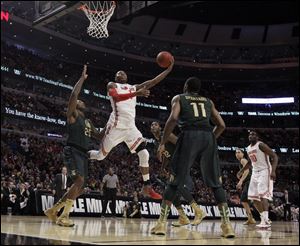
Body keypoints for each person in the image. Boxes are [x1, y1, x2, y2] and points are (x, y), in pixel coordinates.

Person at [151, 77, 235, 238]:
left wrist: (162, 142)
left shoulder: (179, 98)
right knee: (216, 184)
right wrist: (210, 140)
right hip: (208, 136)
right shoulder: (208, 101)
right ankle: (227, 226)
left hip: (189, 135)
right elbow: (222, 125)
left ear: (186, 87)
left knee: (174, 182)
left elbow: (173, 118)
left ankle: (161, 224)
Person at [88, 59, 175, 200]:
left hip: (130, 128)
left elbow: (152, 82)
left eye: (122, 72)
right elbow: (116, 97)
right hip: (116, 126)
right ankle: (85, 155)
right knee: (100, 156)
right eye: (118, 73)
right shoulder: (112, 84)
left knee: (145, 154)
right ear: (116, 78)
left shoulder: (133, 87)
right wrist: (137, 94)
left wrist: (168, 70)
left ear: (127, 78)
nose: (120, 73)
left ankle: (147, 186)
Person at [44, 65, 104, 227]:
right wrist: (81, 79)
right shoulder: (73, 115)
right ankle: (64, 216)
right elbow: (73, 94)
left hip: (83, 154)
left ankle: (53, 210)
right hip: (73, 150)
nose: (80, 101)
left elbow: (99, 135)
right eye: (78, 101)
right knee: (78, 182)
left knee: (81, 188)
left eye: (81, 101)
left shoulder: (88, 122)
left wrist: (114, 122)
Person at [151, 121, 206, 227]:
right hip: (173, 164)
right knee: (171, 190)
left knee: (177, 185)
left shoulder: (165, 135)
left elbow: (180, 144)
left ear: (160, 127)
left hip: (181, 161)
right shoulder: (155, 142)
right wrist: (163, 168)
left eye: (155, 124)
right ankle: (183, 217)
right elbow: (166, 156)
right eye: (152, 125)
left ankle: (199, 211)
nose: (153, 126)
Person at [238, 131, 278, 228]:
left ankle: (265, 220)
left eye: (253, 134)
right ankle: (264, 218)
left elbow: (275, 156)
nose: (251, 136)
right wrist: (241, 171)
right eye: (250, 134)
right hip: (255, 173)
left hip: (265, 171)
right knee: (253, 197)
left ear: (257, 137)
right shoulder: (248, 148)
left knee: (262, 195)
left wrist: (273, 171)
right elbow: (249, 163)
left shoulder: (261, 145)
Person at [235, 148, 256, 225]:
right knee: (247, 200)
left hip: (250, 181)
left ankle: (252, 218)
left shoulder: (243, 160)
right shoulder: (241, 162)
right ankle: (251, 218)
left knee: (244, 200)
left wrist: (240, 181)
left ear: (243, 154)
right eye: (236, 153)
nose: (237, 154)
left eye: (239, 152)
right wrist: (239, 174)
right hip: (250, 181)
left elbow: (247, 171)